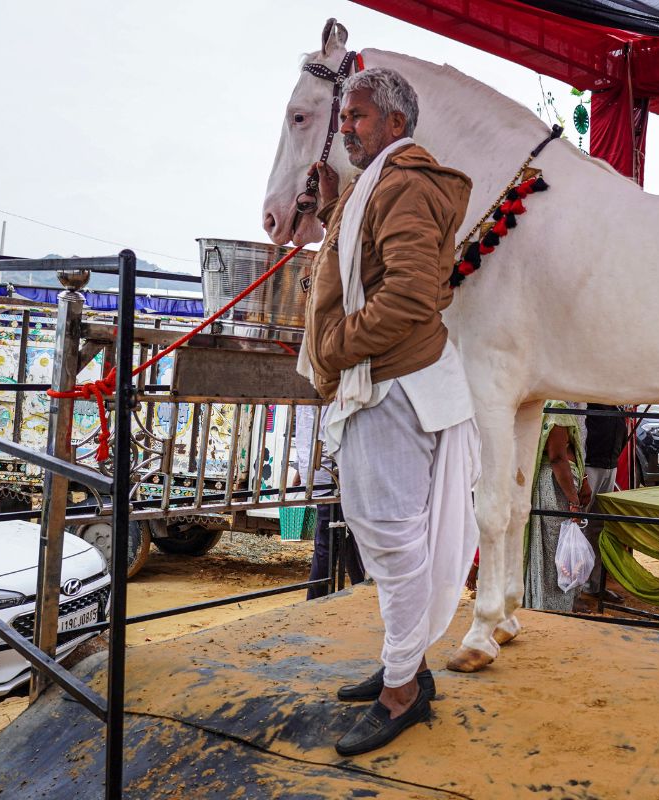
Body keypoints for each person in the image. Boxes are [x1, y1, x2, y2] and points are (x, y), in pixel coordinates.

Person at [298, 67, 478, 756]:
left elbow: (405, 299)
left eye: (360, 116)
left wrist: (333, 348)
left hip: (391, 385)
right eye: (345, 116)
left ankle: (401, 694)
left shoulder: (402, 184)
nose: (347, 126)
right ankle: (411, 666)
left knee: (395, 542)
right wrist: (340, 199)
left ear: (397, 125)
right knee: (391, 540)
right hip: (395, 383)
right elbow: (379, 264)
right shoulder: (388, 182)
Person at [289, 404, 364, 600]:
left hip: (322, 467)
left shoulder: (313, 385)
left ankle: (361, 588)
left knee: (345, 533)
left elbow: (310, 430)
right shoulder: (327, 385)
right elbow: (325, 430)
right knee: (332, 536)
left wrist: (302, 467)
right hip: (331, 469)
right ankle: (316, 598)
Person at [524, 402, 592, 611]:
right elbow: (557, 457)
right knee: (556, 550)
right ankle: (552, 609)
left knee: (559, 549)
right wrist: (573, 501)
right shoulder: (556, 407)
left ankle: (557, 606)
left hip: (560, 486)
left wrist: (583, 479)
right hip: (556, 489)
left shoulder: (554, 405)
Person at [581, 404, 627, 600]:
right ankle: (573, 590)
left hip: (609, 464)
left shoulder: (616, 398)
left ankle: (594, 584)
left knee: (598, 528)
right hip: (590, 464)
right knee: (579, 526)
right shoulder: (589, 396)